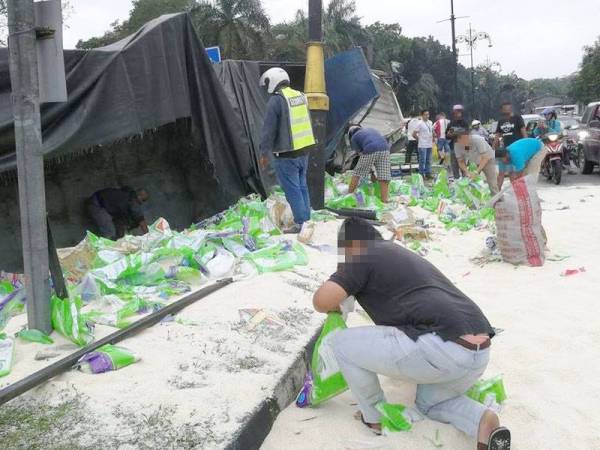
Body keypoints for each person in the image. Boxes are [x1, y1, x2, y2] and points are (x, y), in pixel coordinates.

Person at [312, 217, 511, 450]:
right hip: (477, 350)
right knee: (430, 405)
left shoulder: (362, 255)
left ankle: (375, 417)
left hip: (441, 346)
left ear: (349, 246)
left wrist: (341, 273)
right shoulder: (397, 255)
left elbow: (321, 301)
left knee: (342, 344)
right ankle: (482, 421)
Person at [259, 67, 316, 233]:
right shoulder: (300, 96)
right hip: (303, 150)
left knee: (292, 190)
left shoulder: (276, 101)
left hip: (286, 154)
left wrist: (264, 153)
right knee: (302, 187)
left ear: (273, 82)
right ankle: (306, 221)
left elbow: (268, 130)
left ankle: (300, 224)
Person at [347, 125, 391, 203]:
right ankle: (385, 200)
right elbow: (372, 160)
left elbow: (362, 156)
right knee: (384, 177)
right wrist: (373, 172)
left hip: (370, 148)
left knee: (357, 173)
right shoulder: (371, 129)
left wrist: (372, 171)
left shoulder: (354, 138)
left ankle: (348, 196)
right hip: (385, 148)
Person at [454, 128, 499, 195]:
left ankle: (497, 200)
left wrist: (476, 172)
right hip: (474, 162)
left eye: (467, 137)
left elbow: (485, 158)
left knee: (492, 182)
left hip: (488, 160)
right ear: (458, 139)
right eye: (462, 139)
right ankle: (477, 201)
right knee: (470, 181)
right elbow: (460, 161)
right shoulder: (457, 145)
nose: (466, 139)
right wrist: (467, 171)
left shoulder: (478, 140)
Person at [494, 103, 527, 189]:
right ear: (502, 110)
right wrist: (493, 147)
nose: (507, 110)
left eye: (508, 108)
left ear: (511, 108)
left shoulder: (517, 118)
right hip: (505, 150)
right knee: (502, 172)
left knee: (514, 172)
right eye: (505, 109)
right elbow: (497, 135)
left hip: (517, 150)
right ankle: (497, 194)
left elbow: (523, 132)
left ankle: (517, 191)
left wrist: (526, 144)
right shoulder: (501, 121)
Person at [446, 105, 468, 179]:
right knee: (454, 165)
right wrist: (457, 132)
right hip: (453, 147)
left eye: (459, 112)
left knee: (463, 164)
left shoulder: (464, 123)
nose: (457, 113)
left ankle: (465, 181)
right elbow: (447, 135)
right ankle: (456, 181)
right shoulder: (451, 123)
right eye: (456, 112)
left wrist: (453, 131)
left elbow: (466, 133)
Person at [413, 109, 435, 179]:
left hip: (429, 144)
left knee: (428, 160)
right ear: (422, 115)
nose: (427, 116)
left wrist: (433, 136)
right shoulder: (419, 123)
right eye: (425, 115)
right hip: (422, 145)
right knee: (422, 160)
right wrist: (419, 140)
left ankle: (428, 173)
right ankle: (421, 175)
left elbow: (431, 131)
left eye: (428, 114)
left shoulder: (430, 122)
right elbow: (414, 134)